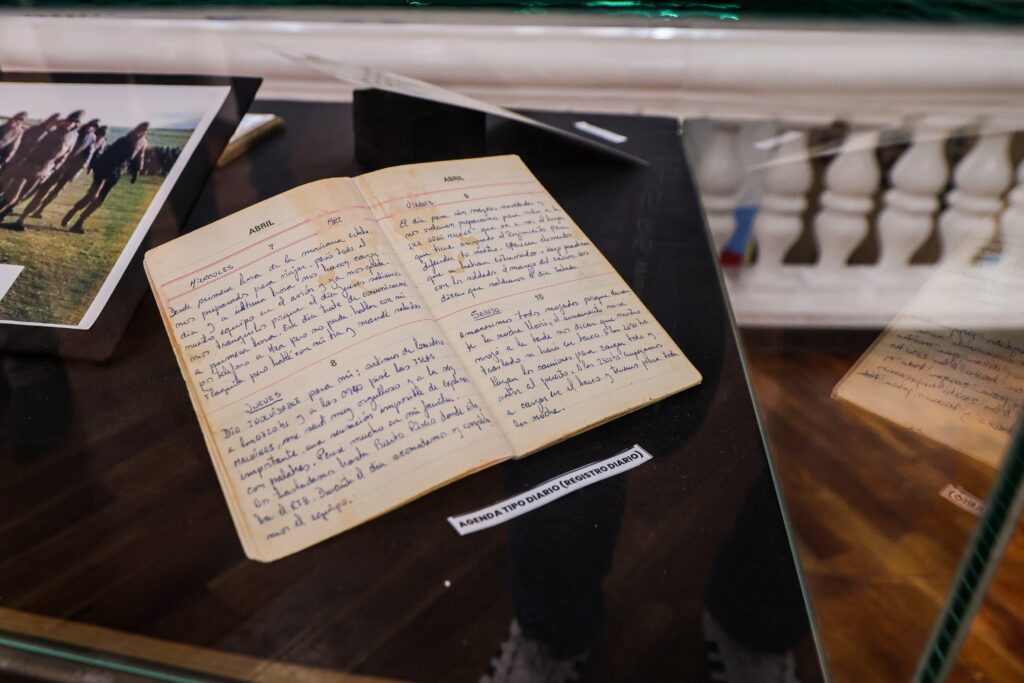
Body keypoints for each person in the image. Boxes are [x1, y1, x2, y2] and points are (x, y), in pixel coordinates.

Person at [61, 121, 148, 235]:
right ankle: (74, 211)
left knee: (99, 200)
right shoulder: (124, 140)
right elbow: (109, 153)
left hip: (116, 173)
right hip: (105, 168)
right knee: (93, 195)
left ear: (145, 132)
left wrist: (136, 172)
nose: (139, 132)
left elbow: (140, 157)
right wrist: (100, 167)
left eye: (143, 130)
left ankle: (80, 221)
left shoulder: (142, 142)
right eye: (139, 129)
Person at [0, 110, 82, 228]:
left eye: (74, 122)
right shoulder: (53, 130)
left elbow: (65, 154)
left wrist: (53, 169)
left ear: (76, 124)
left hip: (43, 171)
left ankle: (3, 215)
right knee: (11, 194)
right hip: (29, 165)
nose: (70, 123)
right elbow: (33, 142)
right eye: (69, 120)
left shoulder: (73, 136)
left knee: (23, 196)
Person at [18, 120, 102, 221]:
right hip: (55, 164)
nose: (90, 127)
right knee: (38, 187)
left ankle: (38, 210)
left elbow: (88, 156)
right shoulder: (74, 131)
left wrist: (76, 172)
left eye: (93, 126)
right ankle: (17, 203)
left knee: (52, 191)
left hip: (68, 170)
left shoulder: (91, 137)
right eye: (90, 125)